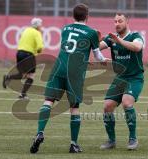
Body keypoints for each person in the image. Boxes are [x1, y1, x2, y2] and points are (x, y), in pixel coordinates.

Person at [30, 3, 108, 154]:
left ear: (73, 16)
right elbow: (98, 55)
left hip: (59, 67)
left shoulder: (65, 29)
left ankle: (40, 132)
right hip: (75, 73)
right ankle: (73, 144)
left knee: (48, 101)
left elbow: (72, 49)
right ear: (87, 16)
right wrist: (103, 59)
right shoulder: (91, 32)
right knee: (74, 107)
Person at [99, 13, 145, 150]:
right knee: (107, 106)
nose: (117, 24)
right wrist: (95, 43)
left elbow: (137, 47)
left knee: (126, 102)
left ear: (127, 22)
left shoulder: (135, 36)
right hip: (120, 78)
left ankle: (133, 139)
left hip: (135, 78)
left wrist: (118, 41)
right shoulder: (111, 38)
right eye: (115, 21)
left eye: (120, 21)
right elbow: (98, 46)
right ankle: (111, 141)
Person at [2, 17, 44, 99]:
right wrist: (39, 51)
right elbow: (39, 47)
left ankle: (8, 77)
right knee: (31, 76)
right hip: (28, 54)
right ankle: (23, 94)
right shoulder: (37, 33)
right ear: (38, 25)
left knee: (22, 74)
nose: (41, 26)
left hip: (19, 53)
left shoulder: (26, 30)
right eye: (40, 25)